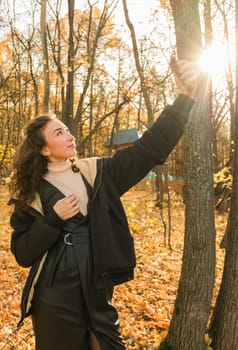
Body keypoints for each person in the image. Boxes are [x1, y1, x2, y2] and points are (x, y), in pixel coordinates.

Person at [9, 59, 197, 350]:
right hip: (54, 299)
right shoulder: (30, 195)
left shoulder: (97, 173)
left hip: (98, 291)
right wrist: (52, 220)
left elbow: (149, 149)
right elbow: (22, 253)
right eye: (59, 133)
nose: (70, 136)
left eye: (68, 130)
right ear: (44, 149)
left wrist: (184, 98)